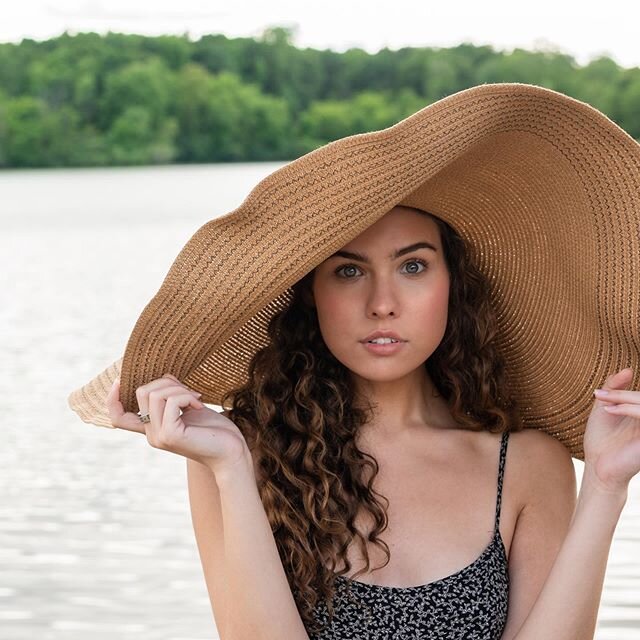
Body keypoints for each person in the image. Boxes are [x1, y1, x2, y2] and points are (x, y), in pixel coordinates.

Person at [70, 82, 640, 640]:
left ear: (453, 284)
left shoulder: (526, 464)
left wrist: (607, 486)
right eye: (348, 271)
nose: (383, 304)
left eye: (413, 267)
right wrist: (229, 468)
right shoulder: (243, 454)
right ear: (310, 295)